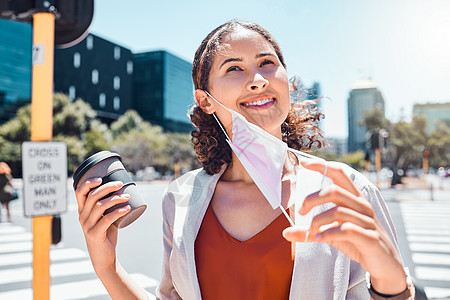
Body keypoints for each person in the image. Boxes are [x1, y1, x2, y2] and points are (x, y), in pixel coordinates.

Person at [75, 20, 414, 299]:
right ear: (205, 100)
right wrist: (108, 268)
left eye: (267, 63)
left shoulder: (348, 188)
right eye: (234, 68)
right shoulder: (180, 198)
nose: (258, 80)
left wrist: (392, 279)